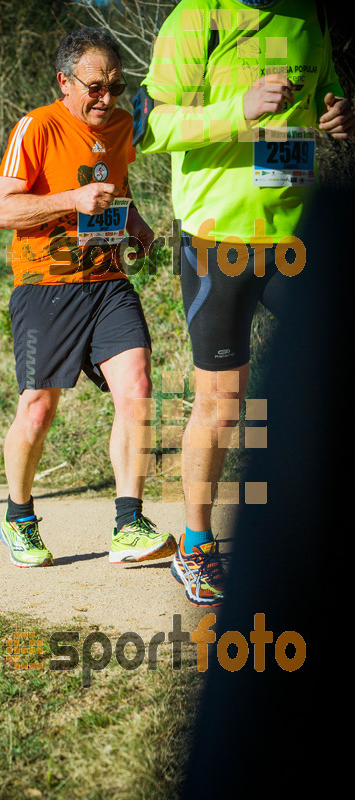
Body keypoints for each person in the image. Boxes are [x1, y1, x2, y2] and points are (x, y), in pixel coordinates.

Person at [138, 0, 354, 606]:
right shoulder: (196, 17)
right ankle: (196, 545)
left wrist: (338, 115)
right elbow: (149, 125)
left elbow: (324, 93)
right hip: (218, 238)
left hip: (295, 234)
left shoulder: (309, 12)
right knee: (222, 403)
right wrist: (240, 109)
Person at [0, 27, 177, 568]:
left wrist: (139, 229)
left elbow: (117, 191)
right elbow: (1, 211)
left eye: (115, 87)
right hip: (46, 287)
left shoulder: (120, 127)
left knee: (137, 388)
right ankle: (18, 517)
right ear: (64, 82)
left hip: (107, 283)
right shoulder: (37, 125)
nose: (106, 99)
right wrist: (71, 198)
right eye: (95, 87)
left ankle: (128, 524)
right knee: (38, 410)